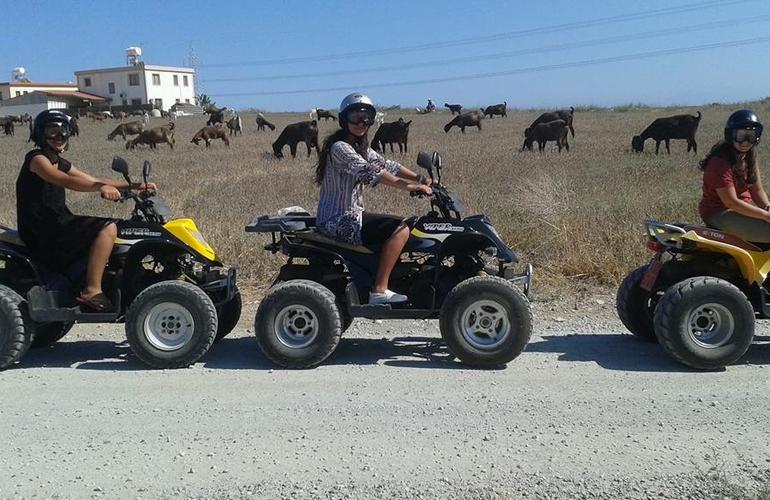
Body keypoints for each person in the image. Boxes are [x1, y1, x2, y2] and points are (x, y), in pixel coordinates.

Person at [17, 110, 156, 312]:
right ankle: (92, 290)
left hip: (58, 221)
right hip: (42, 228)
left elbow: (91, 179)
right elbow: (63, 180)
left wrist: (134, 186)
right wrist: (100, 189)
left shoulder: (59, 162)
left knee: (122, 231)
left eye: (63, 131)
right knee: (108, 228)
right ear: (40, 134)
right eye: (52, 131)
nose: (59, 136)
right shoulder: (37, 159)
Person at [315, 93, 432, 305]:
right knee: (401, 228)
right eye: (355, 117)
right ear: (344, 119)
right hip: (337, 219)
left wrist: (421, 177)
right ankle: (379, 290)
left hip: (351, 215)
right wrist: (411, 187)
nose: (361, 122)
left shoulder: (359, 146)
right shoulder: (340, 147)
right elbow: (370, 172)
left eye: (366, 117)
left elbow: (387, 164)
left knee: (409, 226)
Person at [699, 109, 767, 241]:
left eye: (751, 136)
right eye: (741, 136)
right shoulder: (720, 161)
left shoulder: (749, 156)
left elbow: (757, 189)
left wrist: (767, 208)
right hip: (720, 213)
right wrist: (765, 216)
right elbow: (731, 202)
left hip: (741, 211)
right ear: (730, 135)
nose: (745, 142)